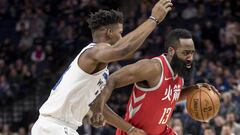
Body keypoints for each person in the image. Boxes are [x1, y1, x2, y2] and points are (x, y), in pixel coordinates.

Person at [31, 0, 173, 135]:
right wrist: (153, 19)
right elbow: (123, 50)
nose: (121, 37)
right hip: (55, 127)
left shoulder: (98, 65)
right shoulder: (93, 52)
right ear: (109, 33)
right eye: (120, 32)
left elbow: (95, 104)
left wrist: (129, 129)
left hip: (55, 127)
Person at [91, 29, 221, 135]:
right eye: (186, 53)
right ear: (171, 51)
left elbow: (166, 97)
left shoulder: (179, 71)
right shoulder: (152, 68)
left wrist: (194, 89)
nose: (190, 58)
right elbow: (112, 80)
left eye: (192, 53)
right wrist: (128, 129)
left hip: (162, 132)